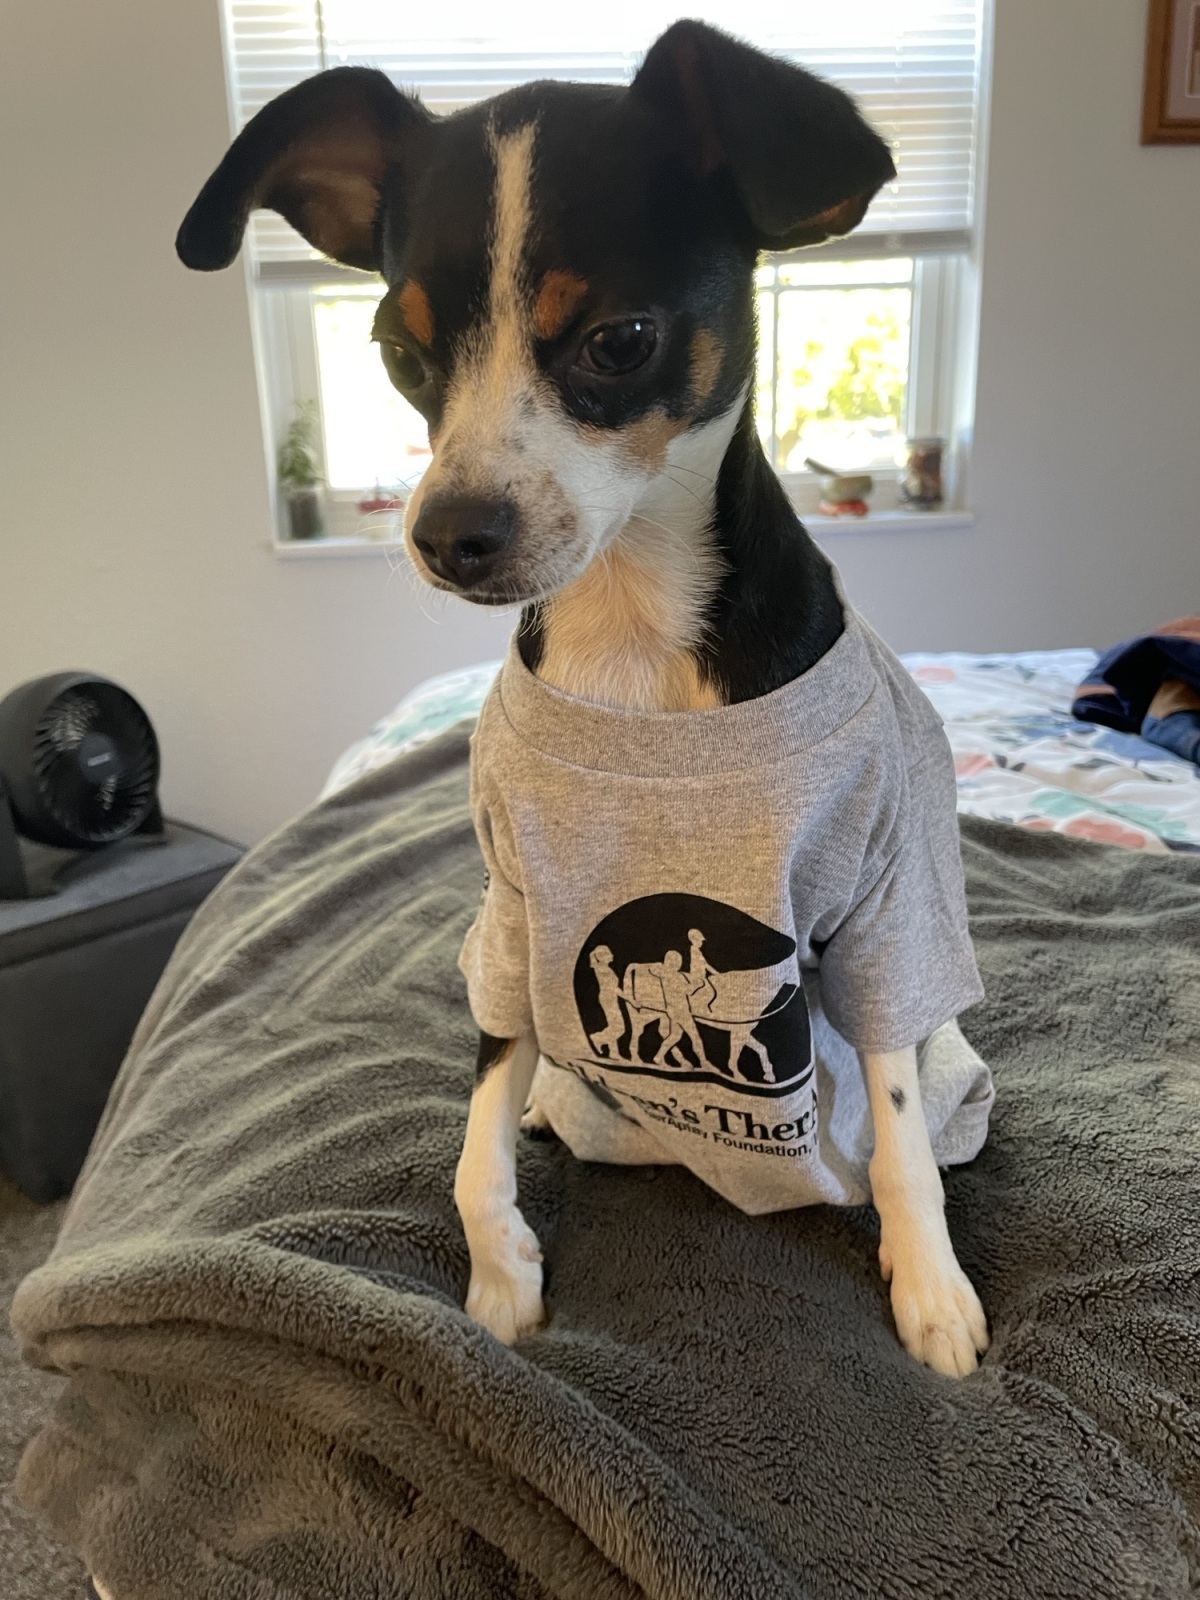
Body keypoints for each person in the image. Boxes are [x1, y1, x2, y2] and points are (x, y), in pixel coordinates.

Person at [587, 944, 628, 1058]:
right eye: (609, 953)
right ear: (602, 957)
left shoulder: (606, 969)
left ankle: (614, 1052)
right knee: (619, 1027)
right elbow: (614, 988)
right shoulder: (603, 970)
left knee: (613, 1025)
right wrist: (629, 999)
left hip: (609, 997)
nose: (612, 955)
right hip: (608, 998)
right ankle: (597, 1038)